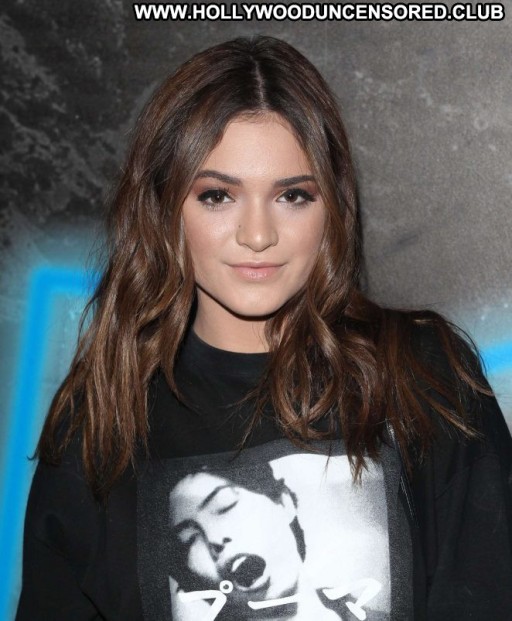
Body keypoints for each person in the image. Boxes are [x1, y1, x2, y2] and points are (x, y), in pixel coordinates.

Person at [16, 35, 512, 621]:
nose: (258, 234)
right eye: (217, 195)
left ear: (331, 207)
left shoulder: (423, 375)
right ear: (164, 207)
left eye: (292, 195)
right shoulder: (101, 419)